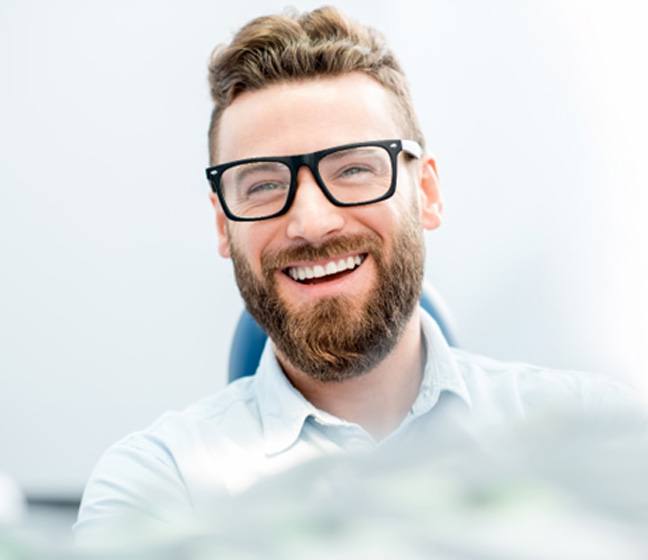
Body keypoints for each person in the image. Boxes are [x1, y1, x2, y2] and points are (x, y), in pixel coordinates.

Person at [74, 6, 643, 540]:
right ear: (224, 227)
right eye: (265, 184)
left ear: (426, 192)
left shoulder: (597, 435)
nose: (312, 222)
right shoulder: (158, 486)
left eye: (352, 169)